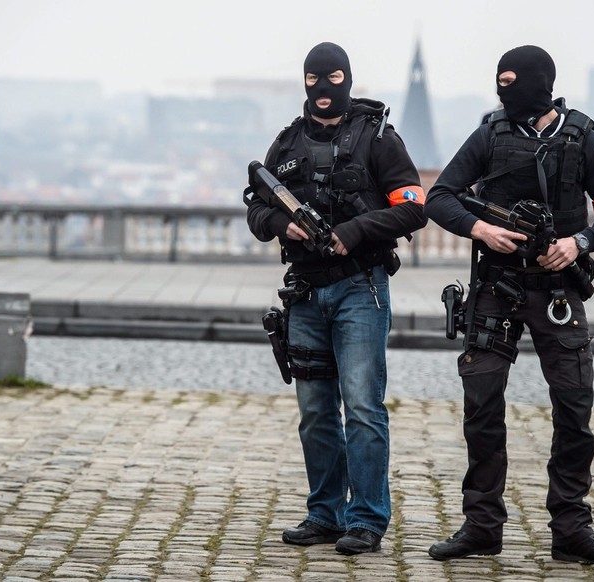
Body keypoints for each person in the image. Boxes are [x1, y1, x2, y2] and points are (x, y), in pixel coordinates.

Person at [423, 45, 594, 564]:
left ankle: (571, 528)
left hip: (559, 290)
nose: (504, 90)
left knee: (574, 409)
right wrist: (480, 229)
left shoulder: (585, 140)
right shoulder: (489, 134)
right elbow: (440, 195)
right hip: (495, 288)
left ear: (541, 83)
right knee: (483, 408)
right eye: (500, 81)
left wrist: (577, 244)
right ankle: (481, 525)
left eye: (513, 81)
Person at [244, 41, 428, 555]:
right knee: (316, 411)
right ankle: (324, 514)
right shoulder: (286, 144)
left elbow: (415, 208)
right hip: (304, 292)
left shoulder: (378, 139)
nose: (323, 89)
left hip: (359, 287)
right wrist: (286, 224)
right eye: (313, 79)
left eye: (333, 78)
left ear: (348, 78)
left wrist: (353, 231)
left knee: (363, 407)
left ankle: (366, 518)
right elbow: (257, 213)